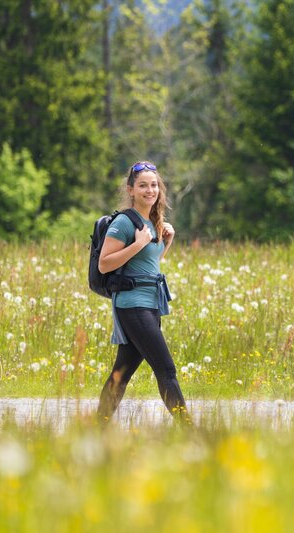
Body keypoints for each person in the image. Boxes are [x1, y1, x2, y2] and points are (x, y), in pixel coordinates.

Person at [96, 161, 190, 425]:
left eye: (154, 185)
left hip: (150, 303)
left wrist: (166, 242)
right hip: (132, 304)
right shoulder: (125, 222)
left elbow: (146, 264)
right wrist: (137, 243)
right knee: (166, 370)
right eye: (143, 186)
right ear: (131, 190)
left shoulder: (150, 221)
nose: (150, 190)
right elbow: (105, 264)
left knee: (121, 374)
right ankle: (191, 432)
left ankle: (95, 429)